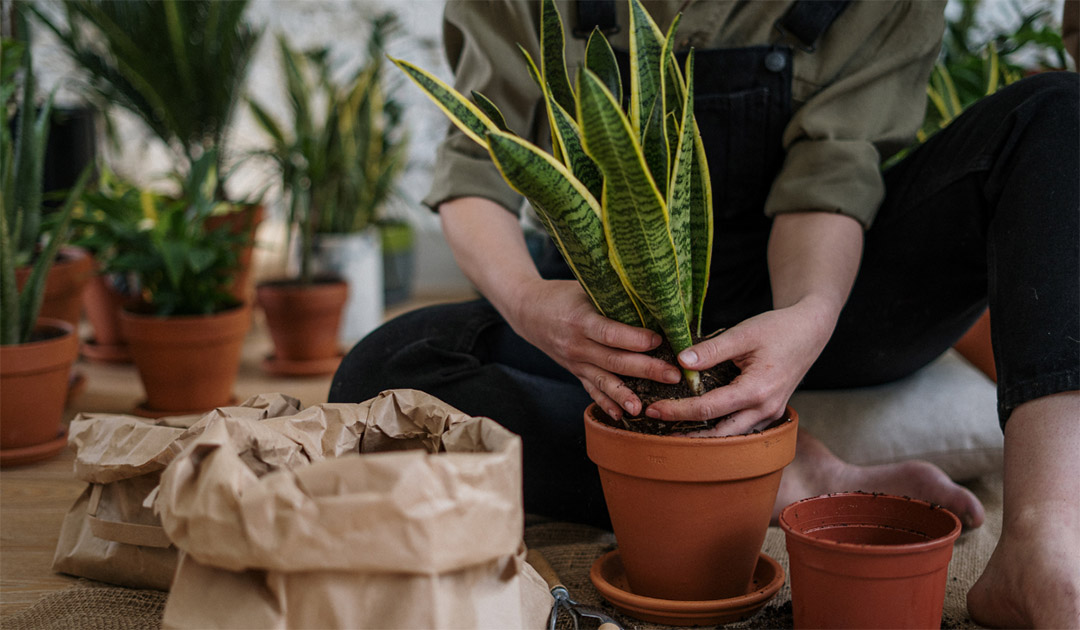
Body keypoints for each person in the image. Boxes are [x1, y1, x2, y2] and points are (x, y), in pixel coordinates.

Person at [330, 1, 1079, 626]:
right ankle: (782, 478)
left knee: (1056, 116)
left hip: (833, 294)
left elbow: (831, 174)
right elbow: (478, 167)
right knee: (384, 372)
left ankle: (1046, 537)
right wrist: (532, 307)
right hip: (623, 316)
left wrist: (810, 318)